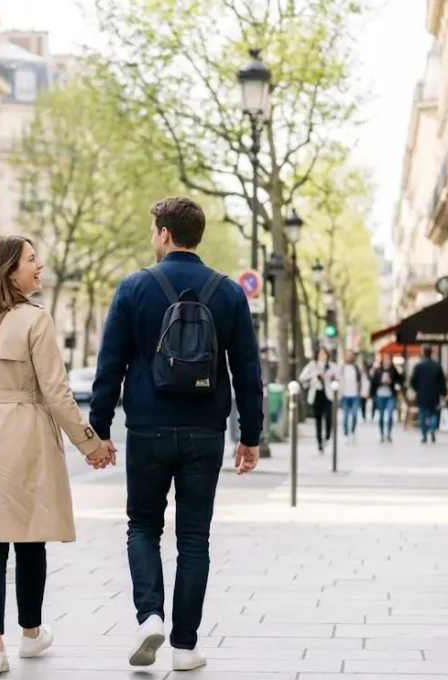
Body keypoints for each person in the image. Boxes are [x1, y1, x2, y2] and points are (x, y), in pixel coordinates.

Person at [89, 197, 261, 673]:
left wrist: (99, 430)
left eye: (154, 231)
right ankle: (185, 647)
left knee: (143, 526)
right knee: (194, 538)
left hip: (147, 427)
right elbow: (247, 370)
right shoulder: (229, 293)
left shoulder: (134, 288)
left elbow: (110, 365)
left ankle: (150, 616)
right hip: (205, 431)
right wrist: (250, 435)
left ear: (164, 234)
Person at [0, 235, 113, 675]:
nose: (39, 267)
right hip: (26, 435)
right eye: (31, 260)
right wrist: (91, 443)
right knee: (29, 536)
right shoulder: (35, 320)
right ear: (9, 271)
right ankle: (31, 633)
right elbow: (57, 393)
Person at [297, 347, 337, 452]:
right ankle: (319, 442)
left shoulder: (332, 366)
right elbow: (302, 377)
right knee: (318, 419)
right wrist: (315, 374)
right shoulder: (312, 365)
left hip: (328, 395)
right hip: (316, 394)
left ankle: (327, 437)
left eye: (324, 354)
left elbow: (339, 378)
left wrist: (332, 376)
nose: (322, 356)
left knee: (329, 418)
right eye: (320, 354)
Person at [409, 345, 448, 443]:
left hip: (422, 394)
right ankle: (432, 427)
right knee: (433, 413)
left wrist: (417, 389)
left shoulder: (418, 366)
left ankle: (424, 434)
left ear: (423, 352)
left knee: (422, 415)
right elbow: (442, 381)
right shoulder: (436, 366)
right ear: (431, 352)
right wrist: (444, 393)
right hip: (434, 394)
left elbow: (412, 381)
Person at [369, 354, 404, 443]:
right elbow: (373, 383)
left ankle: (389, 433)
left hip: (390, 395)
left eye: (388, 360)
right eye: (385, 360)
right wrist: (381, 382)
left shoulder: (393, 371)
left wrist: (392, 382)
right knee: (381, 416)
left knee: (390, 414)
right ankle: (382, 434)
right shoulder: (377, 371)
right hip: (380, 395)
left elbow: (400, 380)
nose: (387, 362)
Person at [337, 350, 361, 437]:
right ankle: (346, 433)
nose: (349, 357)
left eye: (350, 355)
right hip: (345, 395)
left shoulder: (356, 368)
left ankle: (353, 430)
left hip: (355, 395)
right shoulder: (341, 368)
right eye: (347, 355)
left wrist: (360, 391)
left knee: (354, 414)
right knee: (345, 415)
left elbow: (359, 381)